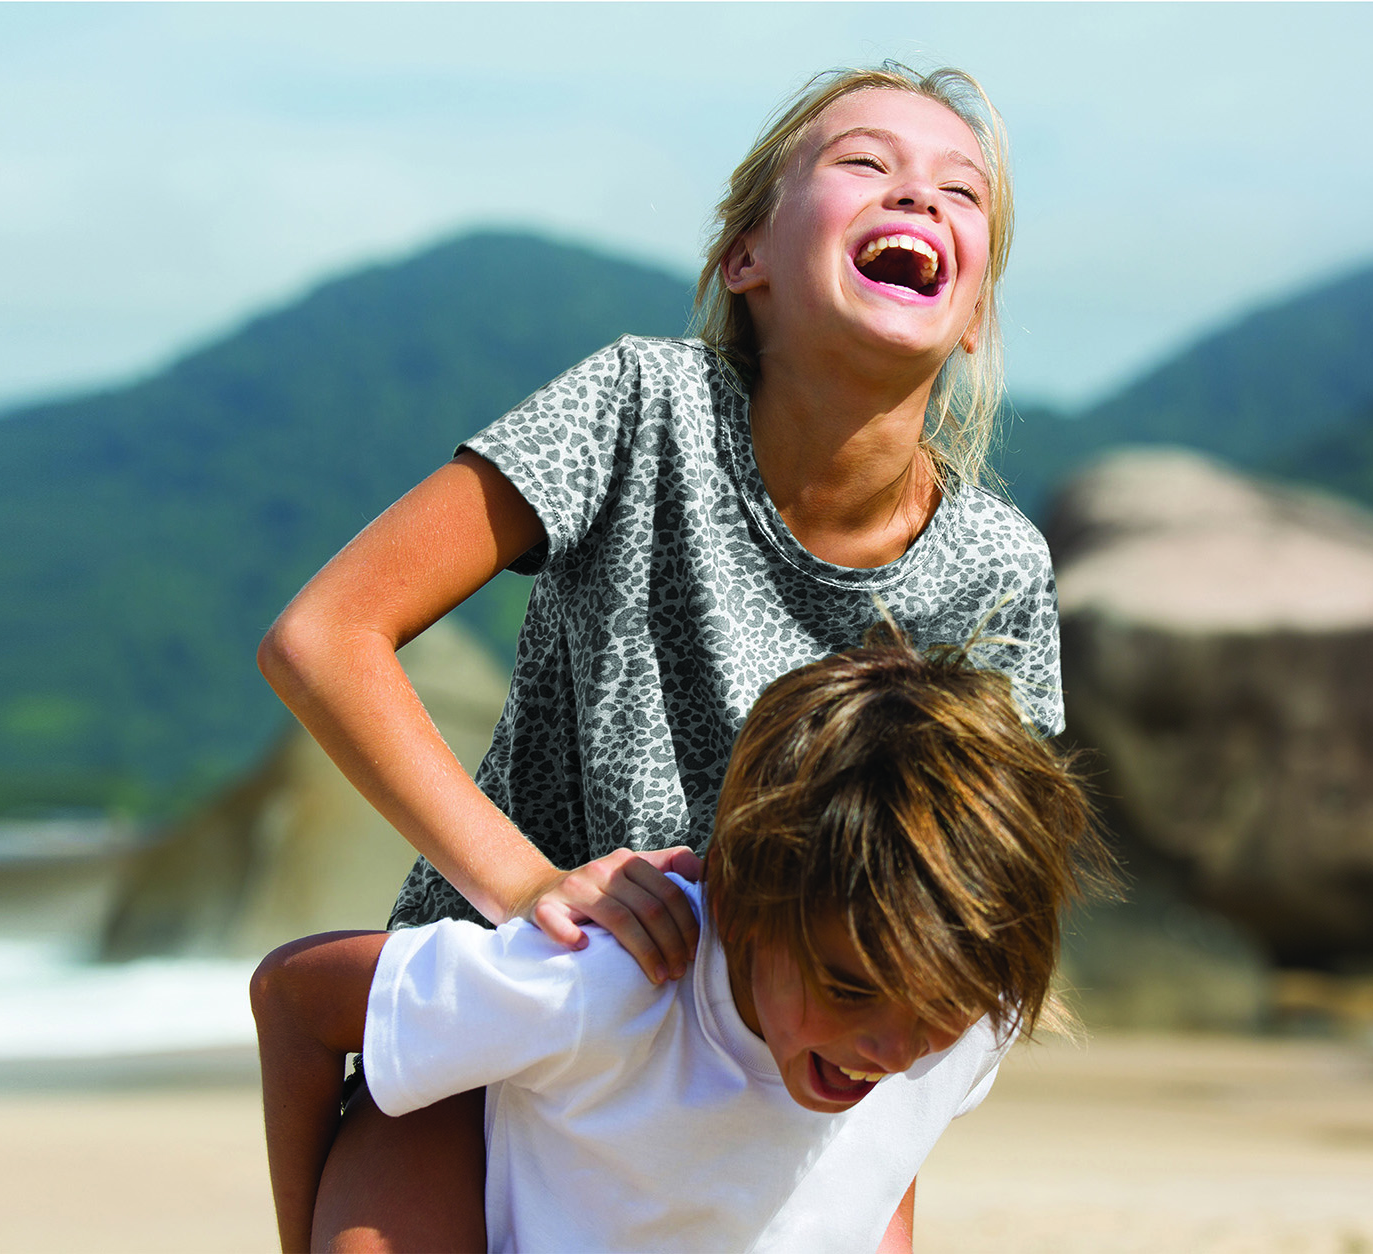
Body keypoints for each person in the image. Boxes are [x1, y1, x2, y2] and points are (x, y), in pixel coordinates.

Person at [257, 62, 1063, 1249]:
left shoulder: (997, 566)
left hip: (803, 1023)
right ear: (746, 259)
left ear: (977, 309)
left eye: (961, 192)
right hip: (527, 997)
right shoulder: (643, 407)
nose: (918, 198)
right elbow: (323, 636)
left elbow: (971, 889)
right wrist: (525, 887)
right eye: (864, 165)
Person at [253, 622, 1108, 1253]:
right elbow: (294, 995)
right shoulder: (608, 987)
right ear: (733, 905)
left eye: (935, 1013)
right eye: (848, 988)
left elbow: (884, 1157)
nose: (891, 1050)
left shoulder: (973, 1010)